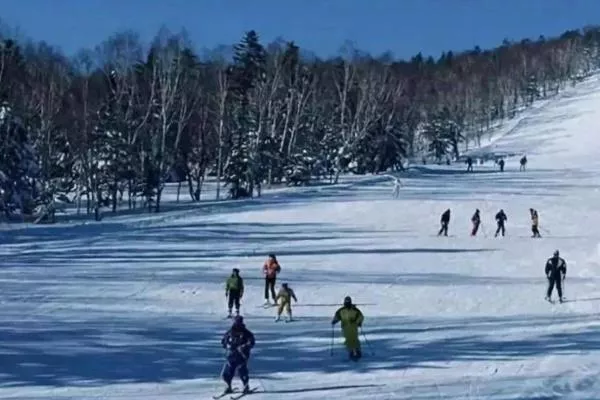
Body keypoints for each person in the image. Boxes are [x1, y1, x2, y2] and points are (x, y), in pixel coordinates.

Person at [220, 316, 255, 395]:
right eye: (236, 322)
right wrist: (227, 345)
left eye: (239, 322)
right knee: (228, 371)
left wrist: (244, 346)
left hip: (242, 355)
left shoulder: (246, 333)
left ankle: (245, 386)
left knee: (242, 371)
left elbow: (251, 342)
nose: (237, 324)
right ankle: (228, 386)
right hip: (231, 355)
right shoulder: (230, 332)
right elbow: (224, 341)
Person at [331, 296, 364, 361]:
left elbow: (361, 317)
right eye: (346, 302)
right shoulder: (341, 310)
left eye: (348, 302)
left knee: (355, 339)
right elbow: (337, 316)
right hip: (345, 327)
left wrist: (358, 322)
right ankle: (351, 351)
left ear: (350, 302)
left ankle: (358, 351)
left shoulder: (355, 310)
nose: (347, 303)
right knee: (348, 340)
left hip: (353, 327)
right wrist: (335, 320)